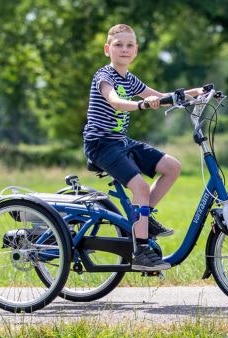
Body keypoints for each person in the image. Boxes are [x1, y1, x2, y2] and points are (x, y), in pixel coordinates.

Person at [83, 23, 202, 271]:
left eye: (129, 45)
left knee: (172, 167)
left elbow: (160, 96)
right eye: (118, 45)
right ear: (107, 49)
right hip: (100, 143)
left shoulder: (130, 78)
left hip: (120, 142)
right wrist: (139, 106)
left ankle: (145, 217)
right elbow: (114, 101)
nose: (124, 49)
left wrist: (198, 93)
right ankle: (141, 251)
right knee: (140, 186)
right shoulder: (104, 76)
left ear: (136, 50)